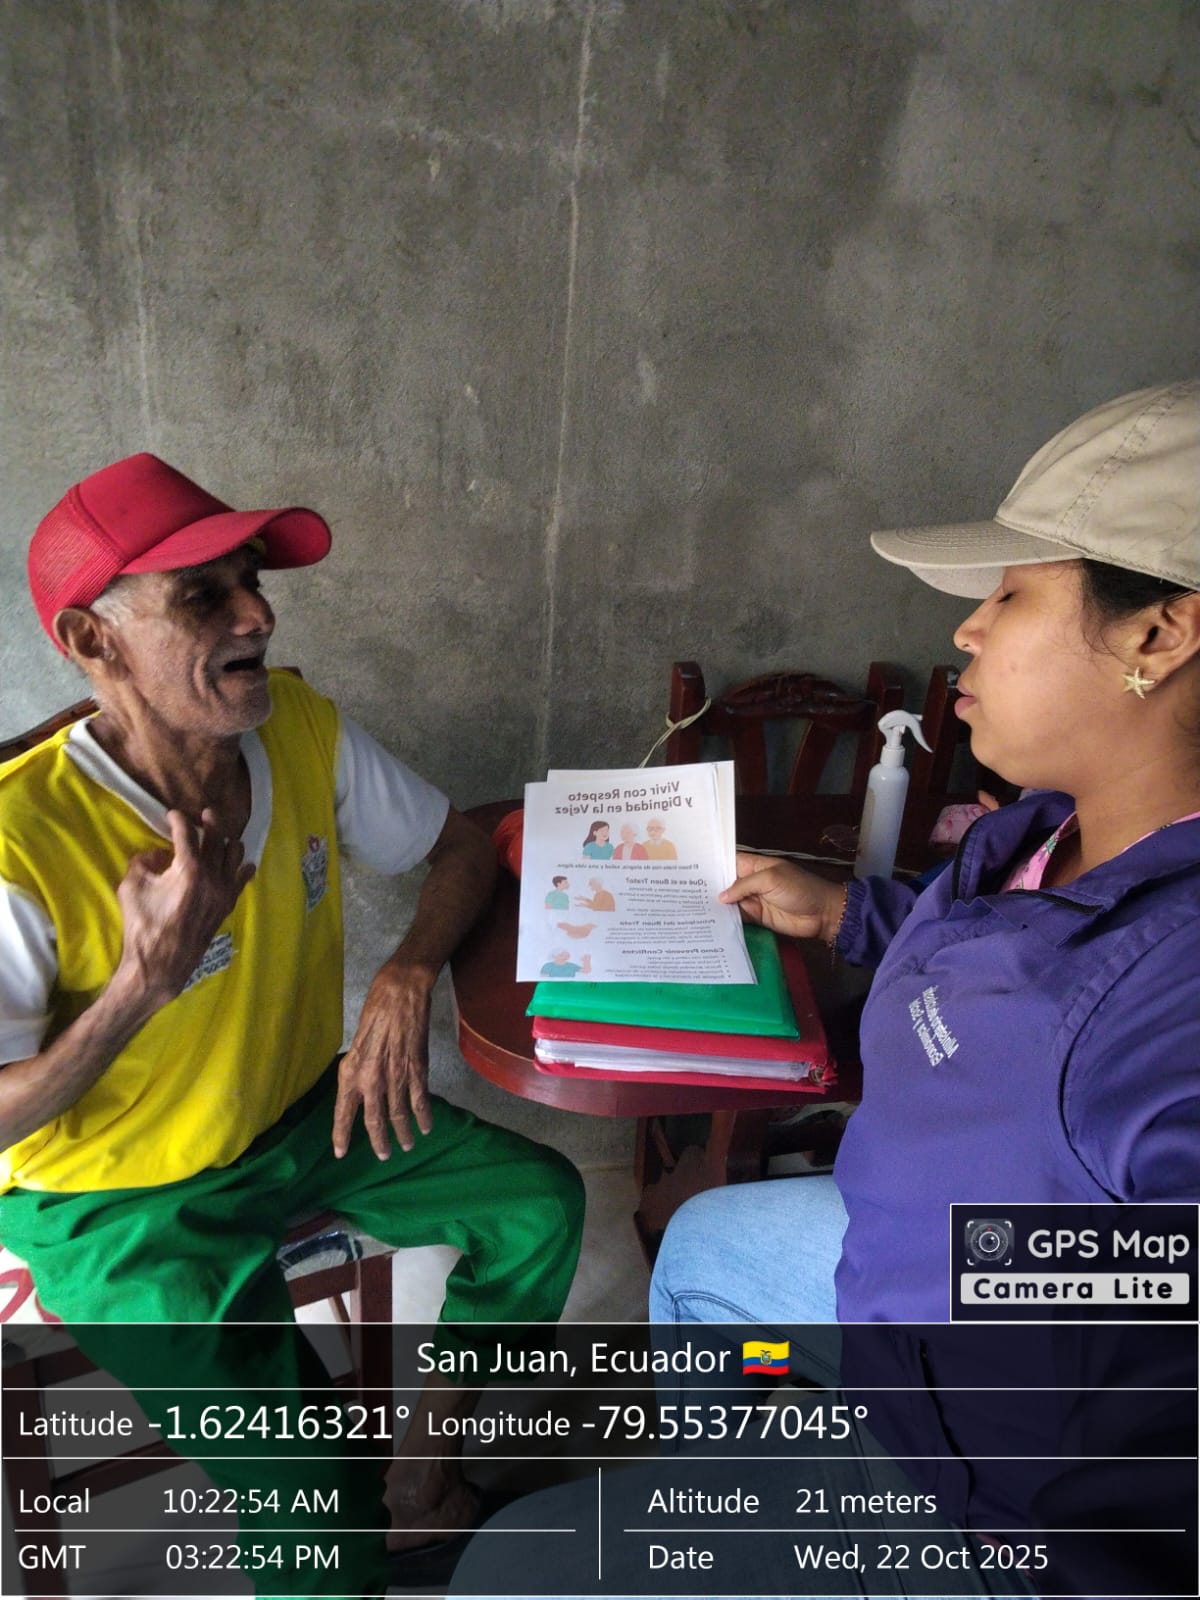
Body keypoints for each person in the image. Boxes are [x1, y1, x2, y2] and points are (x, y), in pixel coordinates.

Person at [639, 379, 1200, 1591]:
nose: (969, 629)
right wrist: (850, 911)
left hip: (981, 1454)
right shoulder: (1053, 824)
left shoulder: (1173, 1002)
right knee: (701, 1255)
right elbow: (1012, 953)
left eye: (1012, 593)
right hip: (892, 1270)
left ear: (1159, 635)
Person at [0, 452, 585, 1594]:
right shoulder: (21, 843)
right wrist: (138, 986)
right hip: (121, 1209)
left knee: (537, 1206)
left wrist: (407, 971)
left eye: (251, 581)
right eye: (202, 596)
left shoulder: (302, 729)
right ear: (92, 640)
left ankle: (425, 1476)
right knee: (317, 1500)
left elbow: (463, 847)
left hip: (296, 1117)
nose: (256, 614)